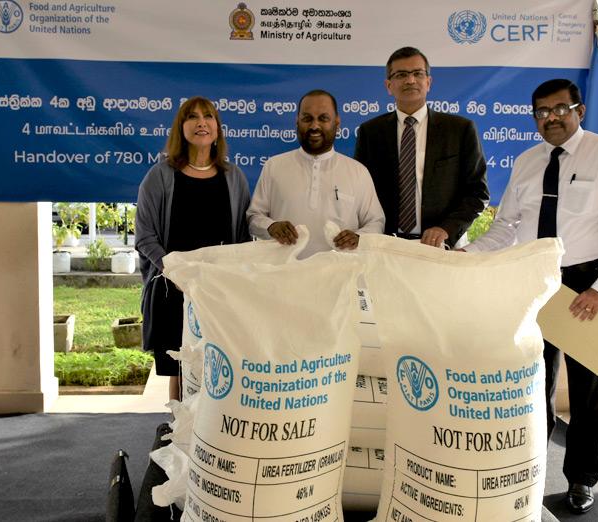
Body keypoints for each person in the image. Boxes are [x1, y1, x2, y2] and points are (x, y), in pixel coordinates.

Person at [464, 79, 598, 514]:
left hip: (586, 283)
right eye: (542, 111)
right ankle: (528, 471)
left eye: (561, 108)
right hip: (532, 279)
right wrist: (465, 256)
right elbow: (506, 228)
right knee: (532, 383)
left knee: (585, 390)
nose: (552, 118)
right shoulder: (527, 161)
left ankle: (582, 479)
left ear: (579, 110)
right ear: (535, 118)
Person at [136, 96, 251, 401]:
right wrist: (175, 272)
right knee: (178, 367)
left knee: (218, 366)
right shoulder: (160, 177)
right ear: (181, 127)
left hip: (218, 291)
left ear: (217, 128)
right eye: (193, 117)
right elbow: (145, 237)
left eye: (209, 116)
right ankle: (176, 431)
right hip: (173, 288)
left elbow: (242, 239)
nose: (202, 122)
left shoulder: (233, 178)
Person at [354, 47, 489, 248]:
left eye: (418, 73)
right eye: (401, 75)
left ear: (429, 82)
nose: (410, 80)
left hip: (441, 245)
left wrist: (447, 229)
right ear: (388, 85)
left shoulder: (460, 130)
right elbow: (361, 192)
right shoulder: (370, 132)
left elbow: (477, 193)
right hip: (385, 244)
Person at [247, 89, 384, 258]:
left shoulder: (358, 172)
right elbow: (253, 218)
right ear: (297, 121)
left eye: (323, 118)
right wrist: (271, 227)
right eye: (307, 118)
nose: (314, 126)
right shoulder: (274, 166)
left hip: (340, 275)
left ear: (337, 122)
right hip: (284, 274)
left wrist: (359, 237)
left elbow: (376, 222)